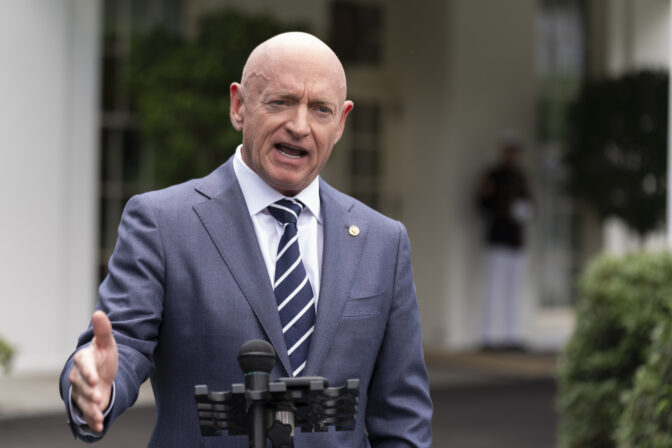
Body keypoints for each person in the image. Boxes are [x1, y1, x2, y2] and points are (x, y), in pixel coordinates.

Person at [59, 32, 432, 447]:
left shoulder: (383, 241)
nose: (299, 125)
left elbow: (403, 417)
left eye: (320, 109)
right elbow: (121, 346)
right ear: (239, 106)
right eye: (281, 102)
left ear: (341, 122)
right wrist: (97, 387)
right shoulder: (162, 223)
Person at [476, 138, 533, 351]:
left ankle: (512, 335)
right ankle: (489, 336)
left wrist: (525, 211)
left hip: (516, 240)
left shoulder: (521, 176)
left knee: (514, 289)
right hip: (497, 238)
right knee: (494, 288)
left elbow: (529, 203)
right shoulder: (493, 175)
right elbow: (482, 203)